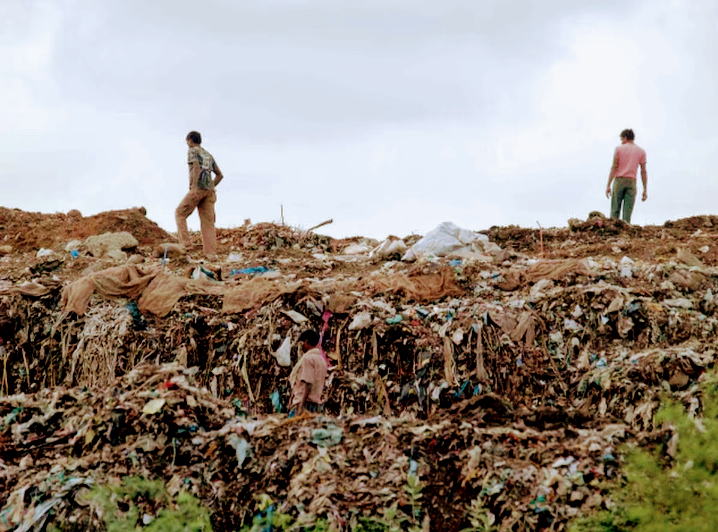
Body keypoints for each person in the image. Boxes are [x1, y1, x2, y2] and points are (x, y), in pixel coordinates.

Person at [175, 131, 224, 258]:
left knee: (180, 213)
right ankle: (211, 253)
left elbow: (196, 167)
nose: (187, 144)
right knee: (208, 222)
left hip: (198, 189)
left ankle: (186, 247)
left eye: (187, 141)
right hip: (209, 192)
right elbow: (219, 175)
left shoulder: (193, 151)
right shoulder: (208, 155)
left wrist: (195, 187)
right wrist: (211, 186)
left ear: (190, 140)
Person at [605, 129, 647, 223]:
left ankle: (613, 231)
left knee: (615, 210)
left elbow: (614, 167)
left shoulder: (618, 149)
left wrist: (608, 185)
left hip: (619, 180)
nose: (621, 141)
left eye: (621, 139)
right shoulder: (641, 151)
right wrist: (645, 189)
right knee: (627, 213)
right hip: (632, 182)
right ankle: (626, 232)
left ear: (625, 138)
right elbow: (643, 171)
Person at [289, 330, 328, 415]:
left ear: (307, 342)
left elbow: (308, 383)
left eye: (302, 343)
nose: (301, 346)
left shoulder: (308, 359)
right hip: (316, 405)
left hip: (305, 404)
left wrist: (301, 407)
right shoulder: (321, 360)